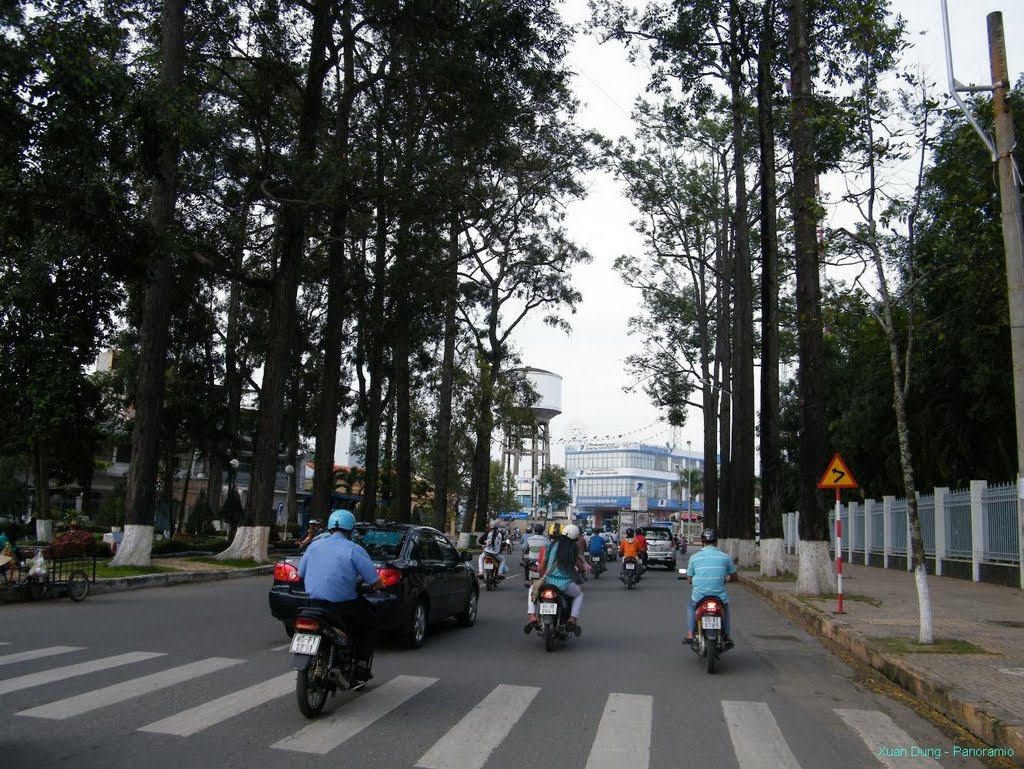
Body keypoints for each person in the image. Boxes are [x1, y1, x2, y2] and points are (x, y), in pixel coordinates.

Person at [297, 509, 384, 685]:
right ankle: (361, 665)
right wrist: (380, 587)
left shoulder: (313, 545)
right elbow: (373, 580)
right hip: (342, 607)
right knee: (370, 622)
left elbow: (300, 573)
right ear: (351, 529)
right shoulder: (354, 549)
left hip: (313, 605)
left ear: (329, 527)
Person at [525, 523, 584, 635]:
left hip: (548, 581)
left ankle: (532, 616)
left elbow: (541, 567)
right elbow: (579, 566)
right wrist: (583, 569)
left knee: (532, 589)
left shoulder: (550, 546)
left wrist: (540, 572)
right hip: (565, 585)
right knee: (579, 595)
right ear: (576, 538)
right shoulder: (574, 548)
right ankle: (572, 619)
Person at [683, 527, 737, 648]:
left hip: (699, 596)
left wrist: (693, 580)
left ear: (702, 542)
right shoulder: (725, 557)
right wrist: (728, 579)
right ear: (716, 542)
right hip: (719, 597)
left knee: (691, 607)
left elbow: (689, 579)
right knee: (726, 609)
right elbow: (735, 577)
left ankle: (690, 634)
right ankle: (727, 635)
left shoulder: (694, 557)